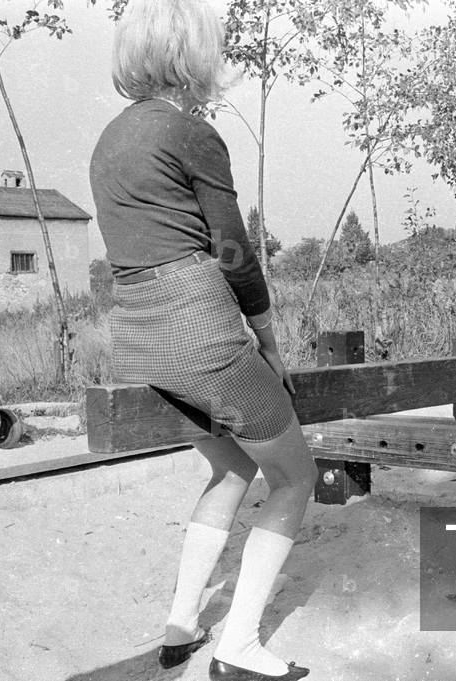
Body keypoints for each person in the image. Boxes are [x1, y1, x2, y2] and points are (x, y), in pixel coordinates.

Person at [89, 2, 317, 680]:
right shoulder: (190, 133)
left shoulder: (110, 137)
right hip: (199, 326)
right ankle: (239, 645)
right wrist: (269, 333)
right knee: (293, 474)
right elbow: (232, 248)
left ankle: (182, 624)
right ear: (193, 55)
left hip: (139, 329)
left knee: (230, 466)